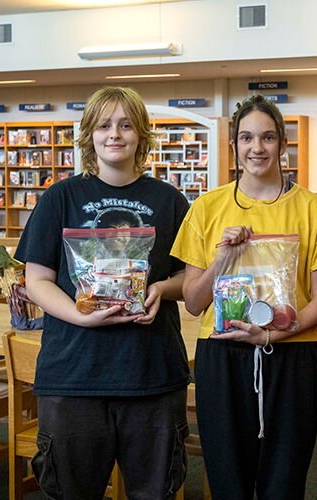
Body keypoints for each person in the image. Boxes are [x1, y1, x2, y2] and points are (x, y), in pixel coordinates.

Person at [16, 86, 190, 500]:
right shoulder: (60, 197)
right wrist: (80, 315)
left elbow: (191, 279)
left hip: (151, 375)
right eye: (104, 125)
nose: (115, 134)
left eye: (126, 125)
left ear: (141, 135)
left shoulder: (169, 200)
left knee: (153, 491)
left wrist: (162, 288)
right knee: (73, 491)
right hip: (73, 376)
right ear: (89, 135)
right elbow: (36, 280)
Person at [170, 94, 317, 499]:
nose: (257, 148)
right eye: (246, 138)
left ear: (283, 144)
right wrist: (221, 260)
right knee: (228, 480)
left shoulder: (312, 209)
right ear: (234, 147)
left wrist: (271, 336)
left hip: (291, 356)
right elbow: (194, 302)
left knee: (284, 479)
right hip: (222, 356)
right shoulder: (207, 208)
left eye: (267, 138)